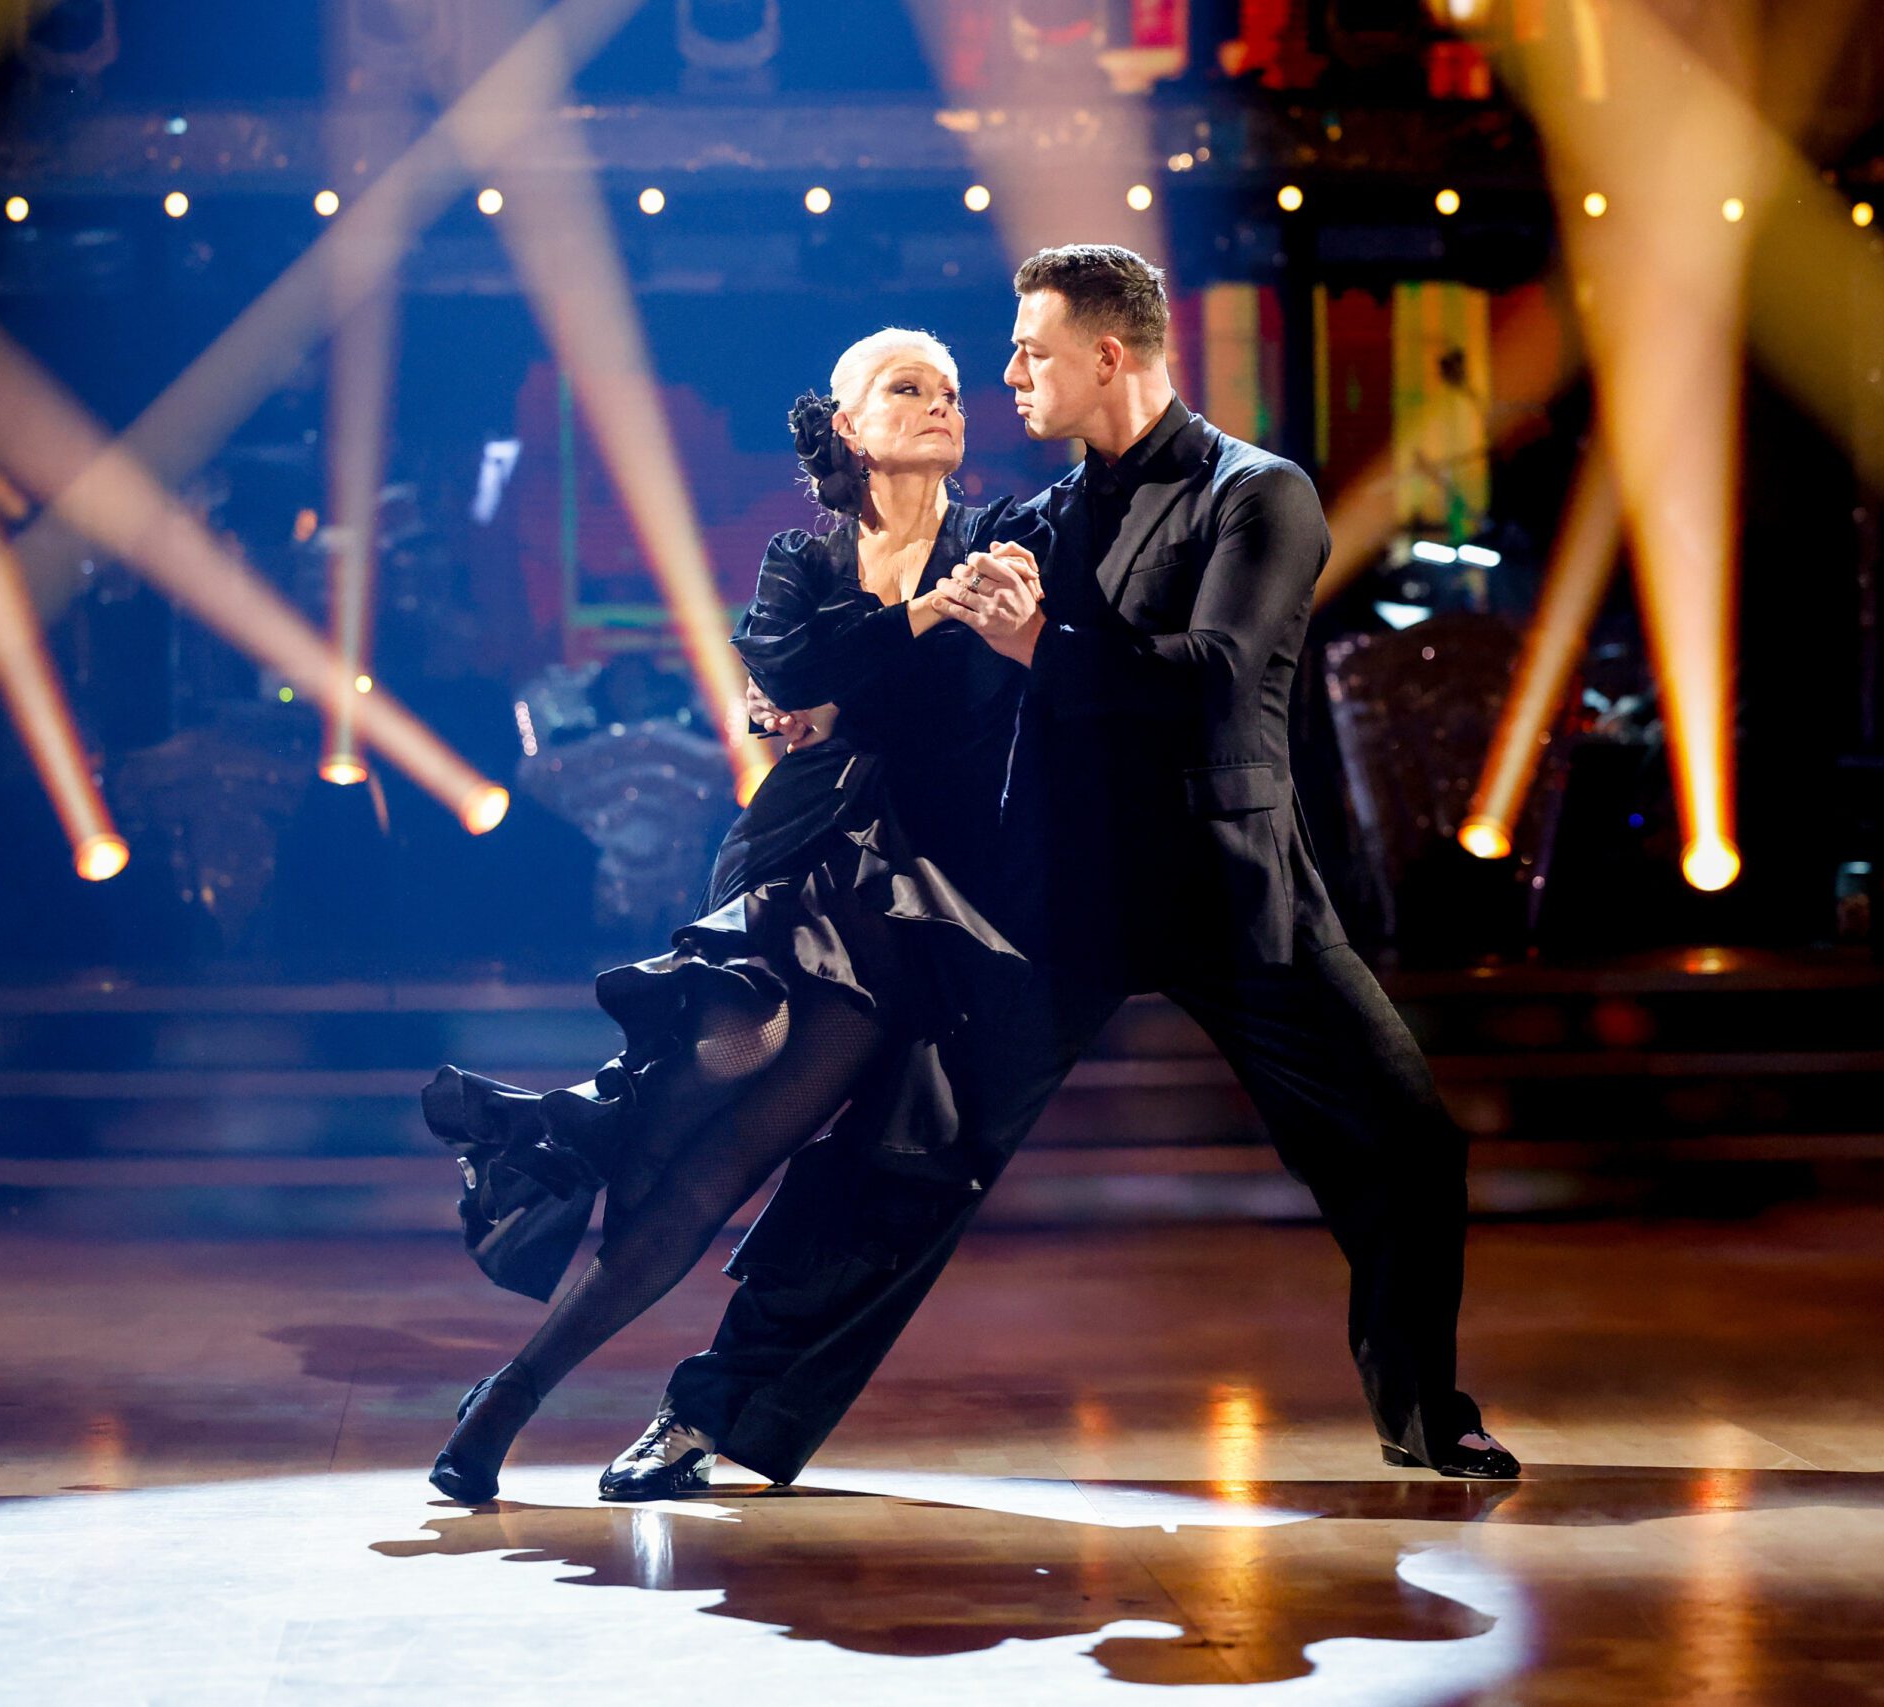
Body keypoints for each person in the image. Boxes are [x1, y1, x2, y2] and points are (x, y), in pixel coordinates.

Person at [599, 246, 1516, 1502]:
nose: (1009, 372)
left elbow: (1213, 682)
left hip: (1234, 889)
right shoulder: (1036, 520)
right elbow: (923, 668)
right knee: (905, 1152)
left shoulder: (1260, 497)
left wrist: (1039, 640)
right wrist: (815, 714)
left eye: (1030, 350)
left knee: (1402, 1140)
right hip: (1057, 897)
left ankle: (1427, 1415)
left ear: (1108, 355)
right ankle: (705, 1419)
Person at [419, 327, 1048, 1505]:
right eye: (907, 389)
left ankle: (551, 1194)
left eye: (953, 392)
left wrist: (975, 623)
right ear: (850, 428)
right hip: (792, 855)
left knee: (717, 1153)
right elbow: (798, 673)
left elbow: (970, 701)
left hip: (909, 893)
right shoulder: (800, 561)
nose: (941, 405)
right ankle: (513, 1373)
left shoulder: (1004, 540)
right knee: (684, 1156)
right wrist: (921, 621)